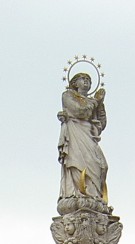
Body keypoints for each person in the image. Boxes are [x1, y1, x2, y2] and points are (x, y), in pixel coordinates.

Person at [57, 71, 108, 208]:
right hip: (75, 134)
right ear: (74, 83)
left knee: (102, 166)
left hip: (89, 135)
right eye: (82, 78)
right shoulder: (68, 95)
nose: (86, 81)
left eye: (89, 79)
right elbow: (80, 111)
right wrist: (95, 102)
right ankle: (81, 194)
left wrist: (101, 104)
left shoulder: (93, 101)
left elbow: (101, 123)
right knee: (79, 164)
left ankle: (95, 196)